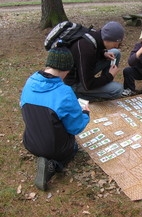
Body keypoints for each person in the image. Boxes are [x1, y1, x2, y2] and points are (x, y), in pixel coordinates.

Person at [20, 45, 90, 191]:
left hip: (29, 141)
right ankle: (53, 165)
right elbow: (76, 127)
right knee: (73, 147)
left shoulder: (30, 81)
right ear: (67, 69)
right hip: (54, 149)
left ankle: (43, 155)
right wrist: (85, 114)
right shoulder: (64, 92)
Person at [65, 21, 125, 101]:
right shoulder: (86, 50)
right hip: (74, 83)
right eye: (116, 43)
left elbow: (96, 50)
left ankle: (104, 85)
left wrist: (103, 53)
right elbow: (88, 85)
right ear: (108, 39)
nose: (117, 46)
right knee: (118, 89)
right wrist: (109, 76)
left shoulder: (95, 35)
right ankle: (77, 95)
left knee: (116, 53)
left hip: (82, 72)